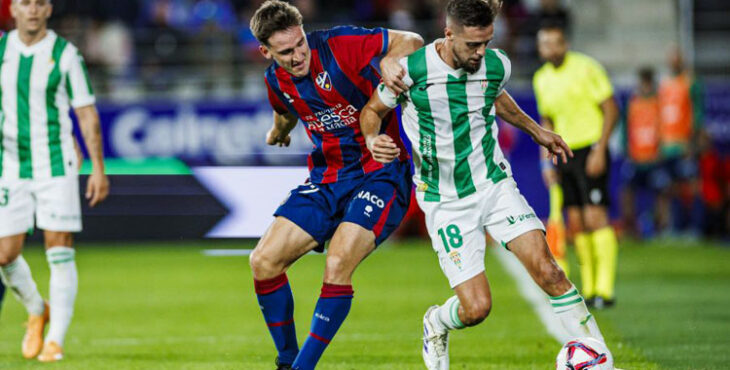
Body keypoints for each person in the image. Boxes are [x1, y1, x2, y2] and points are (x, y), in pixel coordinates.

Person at [359, 1, 607, 368]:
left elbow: (495, 94)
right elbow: (371, 111)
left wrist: (537, 131)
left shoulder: (495, 64)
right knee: (476, 308)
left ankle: (601, 359)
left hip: (493, 184)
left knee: (550, 271)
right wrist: (371, 139)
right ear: (448, 34)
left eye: (486, 43)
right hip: (445, 200)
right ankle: (436, 321)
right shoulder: (412, 70)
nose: (480, 54)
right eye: (472, 45)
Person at [246, 1, 423, 369]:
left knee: (338, 261)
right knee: (263, 261)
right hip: (327, 179)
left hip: (381, 172)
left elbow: (413, 40)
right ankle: (287, 360)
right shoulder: (275, 82)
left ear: (304, 32)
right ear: (266, 52)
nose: (297, 57)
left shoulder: (340, 44)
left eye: (299, 45)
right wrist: (277, 132)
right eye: (285, 52)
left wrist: (391, 61)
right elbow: (284, 112)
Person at [0, 0, 109, 362]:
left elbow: (85, 111)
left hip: (57, 164)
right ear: (13, 10)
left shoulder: (66, 55)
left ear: (48, 10)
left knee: (59, 249)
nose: (32, 10)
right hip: (11, 165)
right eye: (25, 3)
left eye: (39, 3)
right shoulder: (1, 51)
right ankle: (37, 308)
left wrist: (97, 166)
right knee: (4, 255)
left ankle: (55, 340)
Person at [533, 25, 620, 309]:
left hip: (589, 148)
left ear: (565, 43)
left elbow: (611, 109)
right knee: (577, 223)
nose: (550, 49)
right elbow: (547, 122)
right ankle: (589, 286)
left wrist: (600, 148)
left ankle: (604, 290)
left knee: (596, 218)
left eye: (555, 43)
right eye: (545, 44)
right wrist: (545, 161)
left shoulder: (586, 68)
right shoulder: (541, 79)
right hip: (563, 152)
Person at [656, 47, 704, 235]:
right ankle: (674, 227)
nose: (673, 62)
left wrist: (693, 142)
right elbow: (660, 115)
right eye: (671, 58)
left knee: (692, 187)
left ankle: (695, 227)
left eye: (677, 58)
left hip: (684, 144)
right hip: (667, 146)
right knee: (669, 188)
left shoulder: (691, 82)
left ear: (682, 61)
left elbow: (697, 113)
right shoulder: (665, 84)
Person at [620, 67, 662, 238]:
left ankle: (661, 228)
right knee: (627, 191)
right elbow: (625, 129)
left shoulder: (659, 103)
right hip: (636, 158)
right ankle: (631, 228)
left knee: (662, 192)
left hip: (654, 158)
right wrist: (626, 149)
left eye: (647, 82)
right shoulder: (633, 103)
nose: (645, 86)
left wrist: (661, 150)